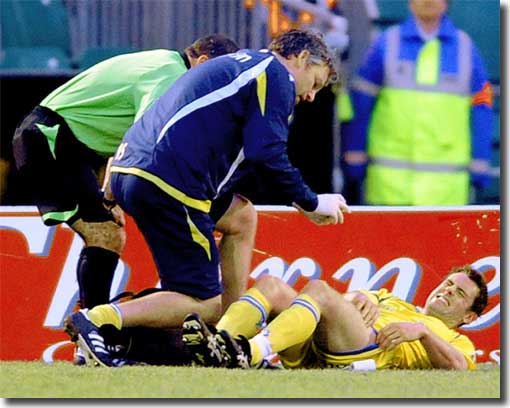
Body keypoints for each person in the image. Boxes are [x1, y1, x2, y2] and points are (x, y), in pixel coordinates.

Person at [64, 28, 350, 367]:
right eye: (315, 82)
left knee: (241, 216)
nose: (312, 96)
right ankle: (96, 320)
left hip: (133, 170)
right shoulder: (275, 75)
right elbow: (266, 153)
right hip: (169, 181)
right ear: (301, 58)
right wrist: (311, 202)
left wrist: (112, 188)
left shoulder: (239, 64)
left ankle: (228, 337)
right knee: (202, 302)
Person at [11, 34, 249, 312]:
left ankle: (94, 326)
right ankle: (94, 329)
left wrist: (109, 191)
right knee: (105, 234)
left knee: (109, 233)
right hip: (49, 139)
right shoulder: (171, 76)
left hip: (70, 144)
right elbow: (140, 140)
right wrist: (110, 194)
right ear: (203, 62)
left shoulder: (166, 63)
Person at [184, 264, 488, 370]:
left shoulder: (456, 339)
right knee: (272, 286)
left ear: (470, 316)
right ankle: (219, 343)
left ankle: (248, 353)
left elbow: (458, 367)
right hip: (326, 337)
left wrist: (421, 332)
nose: (447, 291)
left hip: (365, 347)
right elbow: (343, 303)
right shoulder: (392, 298)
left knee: (318, 289)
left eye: (459, 294)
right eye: (448, 284)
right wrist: (357, 297)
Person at [341, 0, 494, 205]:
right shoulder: (387, 43)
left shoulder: (465, 48)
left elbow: (482, 107)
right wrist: (355, 151)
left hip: (446, 190)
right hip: (389, 187)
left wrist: (480, 160)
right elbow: (360, 103)